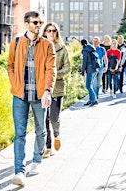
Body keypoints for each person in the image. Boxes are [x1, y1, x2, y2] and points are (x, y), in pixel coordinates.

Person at [7, 11, 56, 186]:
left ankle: (37, 160)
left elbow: (51, 69)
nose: (39, 25)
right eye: (35, 22)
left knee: (41, 130)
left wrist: (47, 91)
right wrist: (15, 84)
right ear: (27, 24)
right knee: (19, 133)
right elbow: (10, 65)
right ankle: (19, 171)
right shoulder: (17, 42)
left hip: (39, 95)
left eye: (40, 22)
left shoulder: (47, 45)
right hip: (19, 95)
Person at [39, 22, 71, 159]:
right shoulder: (39, 48)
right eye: (48, 30)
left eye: (54, 31)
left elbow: (68, 68)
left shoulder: (62, 49)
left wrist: (53, 74)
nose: (51, 33)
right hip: (42, 89)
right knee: (44, 120)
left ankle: (57, 134)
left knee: (54, 118)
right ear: (44, 32)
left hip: (57, 89)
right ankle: (48, 147)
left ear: (57, 33)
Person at [80, 39, 98, 106]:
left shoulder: (85, 51)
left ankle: (94, 99)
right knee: (91, 85)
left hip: (90, 69)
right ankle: (91, 100)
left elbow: (84, 62)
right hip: (95, 68)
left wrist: (82, 71)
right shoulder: (91, 49)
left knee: (88, 86)